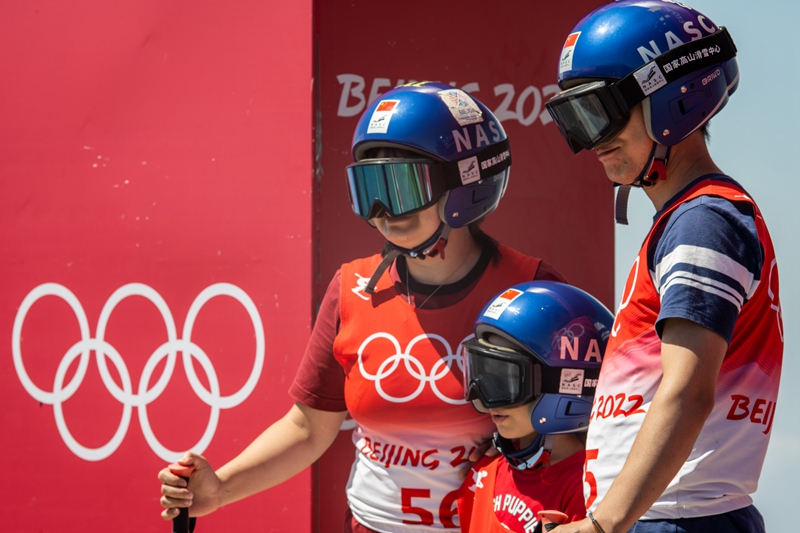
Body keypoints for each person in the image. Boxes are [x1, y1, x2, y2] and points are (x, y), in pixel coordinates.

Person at [159, 82, 568, 532]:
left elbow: (580, 430)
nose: (383, 210)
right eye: (369, 188)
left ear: (464, 184)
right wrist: (220, 489)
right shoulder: (352, 287)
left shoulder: (533, 290)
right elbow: (307, 429)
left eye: (401, 186)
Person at [544, 2, 784, 532]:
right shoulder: (691, 219)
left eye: (599, 112)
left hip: (677, 519)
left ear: (673, 98)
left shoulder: (704, 221)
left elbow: (687, 391)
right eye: (575, 120)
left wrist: (603, 525)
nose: (590, 142)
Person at [457, 281, 614, 533]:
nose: (486, 399)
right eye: (483, 374)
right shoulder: (484, 472)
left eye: (505, 380)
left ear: (564, 383)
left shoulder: (589, 490)